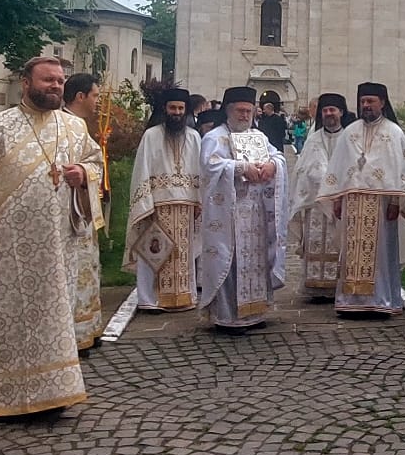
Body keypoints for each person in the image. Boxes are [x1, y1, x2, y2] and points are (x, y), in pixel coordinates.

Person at [0, 56, 103, 417]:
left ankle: (57, 392)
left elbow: (95, 162)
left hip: (60, 247)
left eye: (60, 81)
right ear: (26, 83)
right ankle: (8, 396)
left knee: (56, 318)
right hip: (9, 248)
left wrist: (82, 173)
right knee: (11, 319)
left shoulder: (74, 129)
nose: (56, 86)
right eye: (48, 80)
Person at [317, 82, 405, 317]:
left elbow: (402, 170)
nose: (366, 106)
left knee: (380, 255)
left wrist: (397, 203)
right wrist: (336, 199)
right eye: (363, 102)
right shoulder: (350, 131)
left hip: (382, 205)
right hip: (352, 204)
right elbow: (339, 167)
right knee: (351, 253)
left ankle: (382, 300)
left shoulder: (394, 133)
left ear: (383, 103)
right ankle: (350, 301)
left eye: (371, 101)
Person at [196, 87, 289, 334]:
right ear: (228, 111)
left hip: (256, 215)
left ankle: (255, 312)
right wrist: (240, 168)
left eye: (249, 110)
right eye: (240, 110)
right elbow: (210, 166)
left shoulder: (258, 136)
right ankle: (228, 317)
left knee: (255, 260)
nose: (245, 115)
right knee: (231, 261)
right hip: (229, 214)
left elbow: (277, 156)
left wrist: (272, 165)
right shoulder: (214, 138)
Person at [124, 88, 207, 312]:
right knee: (153, 251)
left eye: (181, 108)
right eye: (173, 108)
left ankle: (184, 296)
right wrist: (145, 204)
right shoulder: (151, 136)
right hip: (157, 206)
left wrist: (199, 201)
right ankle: (149, 299)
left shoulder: (194, 136)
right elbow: (142, 169)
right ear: (165, 109)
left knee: (184, 254)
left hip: (186, 206)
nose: (177, 112)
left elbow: (200, 172)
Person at [59, 72, 108, 352]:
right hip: (65, 214)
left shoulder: (79, 125)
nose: (98, 101)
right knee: (72, 271)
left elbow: (94, 162)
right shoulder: (60, 125)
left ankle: (87, 327)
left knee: (86, 267)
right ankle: (72, 333)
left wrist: (84, 172)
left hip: (81, 209)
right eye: (96, 96)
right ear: (81, 97)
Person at [289, 93, 351, 301]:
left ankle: (337, 285)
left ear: (341, 112)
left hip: (342, 200)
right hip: (316, 202)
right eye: (325, 111)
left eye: (332, 110)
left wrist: (336, 189)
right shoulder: (313, 138)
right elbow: (304, 168)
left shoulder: (350, 137)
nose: (329, 114)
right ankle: (316, 287)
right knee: (317, 242)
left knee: (338, 242)